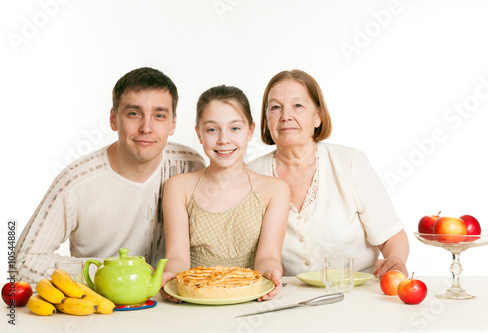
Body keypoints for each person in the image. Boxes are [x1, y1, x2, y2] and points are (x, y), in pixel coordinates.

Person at [15, 67, 205, 283]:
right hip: (100, 306)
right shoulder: (77, 181)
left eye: (159, 115)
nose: (146, 127)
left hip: (170, 305)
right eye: (134, 113)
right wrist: (108, 273)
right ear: (114, 119)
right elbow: (24, 261)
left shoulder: (190, 166)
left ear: (173, 124)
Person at [248, 69, 409, 278]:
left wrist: (395, 260)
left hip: (355, 293)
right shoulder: (250, 175)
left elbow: (392, 237)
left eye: (298, 106)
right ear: (266, 120)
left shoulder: (350, 163)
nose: (286, 116)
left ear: (318, 117)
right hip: (285, 298)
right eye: (275, 107)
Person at [160, 85, 290, 302]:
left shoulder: (275, 190)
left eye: (235, 129)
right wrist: (171, 277)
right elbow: (176, 257)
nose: (223, 140)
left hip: (251, 300)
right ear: (198, 134)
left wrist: (271, 272)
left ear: (250, 130)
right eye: (212, 129)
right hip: (195, 300)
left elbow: (268, 256)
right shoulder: (178, 187)